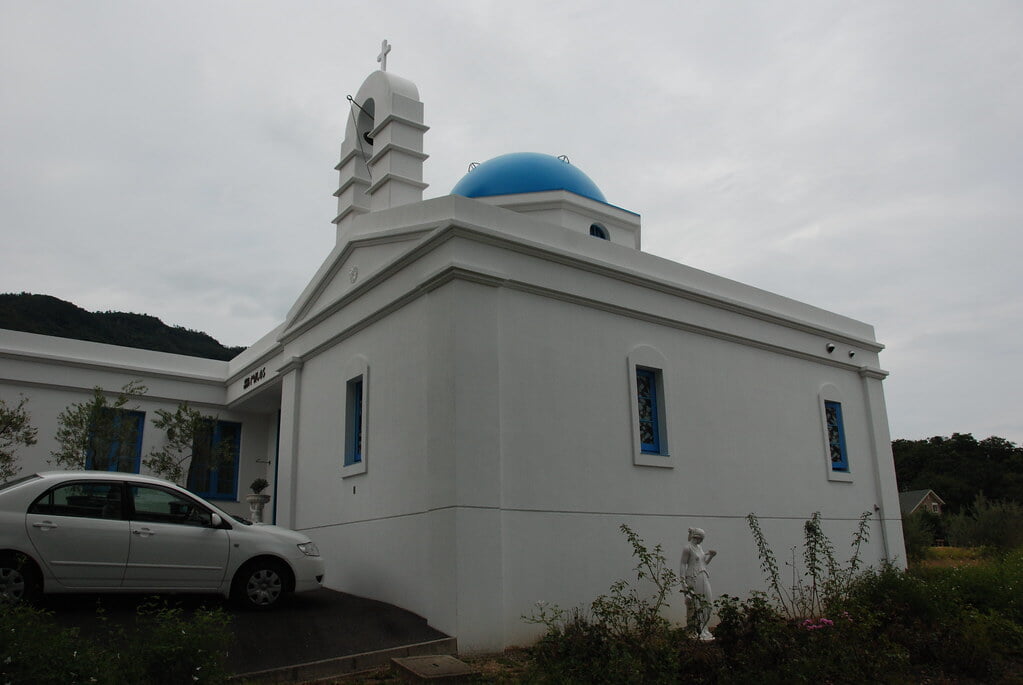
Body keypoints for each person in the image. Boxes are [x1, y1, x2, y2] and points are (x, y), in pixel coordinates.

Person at [680, 527, 717, 640]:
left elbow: (703, 563)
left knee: (707, 602)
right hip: (692, 578)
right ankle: (694, 629)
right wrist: (684, 584)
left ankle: (703, 628)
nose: (701, 541)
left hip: (703, 576)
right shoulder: (687, 548)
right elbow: (682, 565)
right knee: (695, 603)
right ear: (697, 537)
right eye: (701, 538)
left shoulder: (700, 548)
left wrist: (711, 556)